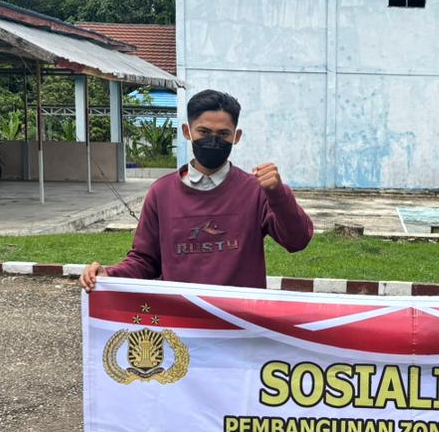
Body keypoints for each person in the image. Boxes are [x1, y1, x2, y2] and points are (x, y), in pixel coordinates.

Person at [80, 88, 313, 291]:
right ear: (186, 131)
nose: (213, 140)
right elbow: (146, 259)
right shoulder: (162, 193)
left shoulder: (256, 191)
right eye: (204, 132)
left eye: (223, 134)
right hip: (183, 320)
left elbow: (297, 240)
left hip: (239, 321)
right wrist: (109, 275)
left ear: (237, 136)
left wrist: (278, 194)